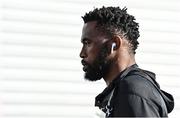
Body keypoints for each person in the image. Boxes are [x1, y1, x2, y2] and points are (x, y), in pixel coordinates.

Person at [79, 6, 174, 117]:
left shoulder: (133, 91)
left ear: (114, 44)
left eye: (87, 43)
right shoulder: (122, 91)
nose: (82, 53)